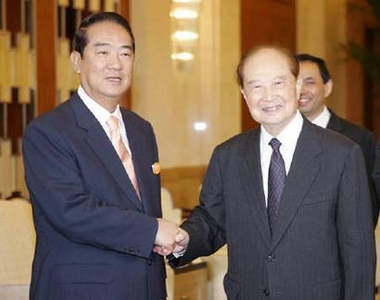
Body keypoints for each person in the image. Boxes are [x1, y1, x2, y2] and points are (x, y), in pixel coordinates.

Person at [164, 45, 376, 299]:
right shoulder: (228, 156)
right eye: (256, 86)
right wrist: (184, 239)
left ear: (296, 86)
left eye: (278, 83)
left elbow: (358, 252)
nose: (268, 96)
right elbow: (212, 220)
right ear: (244, 94)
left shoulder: (341, 154)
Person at [22, 12, 182, 300]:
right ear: (76, 61)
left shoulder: (141, 130)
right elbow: (71, 212)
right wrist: (153, 231)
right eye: (103, 51)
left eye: (125, 53)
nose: (115, 64)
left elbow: (142, 208)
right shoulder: (48, 132)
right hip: (82, 290)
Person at [296, 53, 378, 226]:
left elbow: (367, 209)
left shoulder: (358, 139)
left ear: (327, 87)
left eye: (309, 82)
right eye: (295, 82)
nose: (301, 90)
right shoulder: (275, 139)